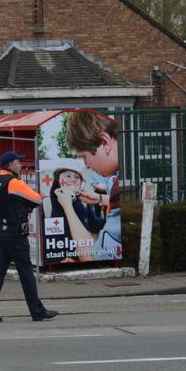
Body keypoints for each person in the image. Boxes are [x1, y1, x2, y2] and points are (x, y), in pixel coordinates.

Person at [0, 152, 57, 323]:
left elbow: (8, 202)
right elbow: (36, 199)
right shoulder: (13, 182)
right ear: (9, 164)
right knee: (26, 272)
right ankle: (37, 311)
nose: (20, 165)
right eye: (17, 162)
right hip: (14, 234)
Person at [65, 110, 123, 260]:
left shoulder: (116, 188)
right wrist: (99, 199)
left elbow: (93, 257)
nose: (86, 165)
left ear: (104, 142)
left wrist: (66, 206)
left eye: (84, 157)